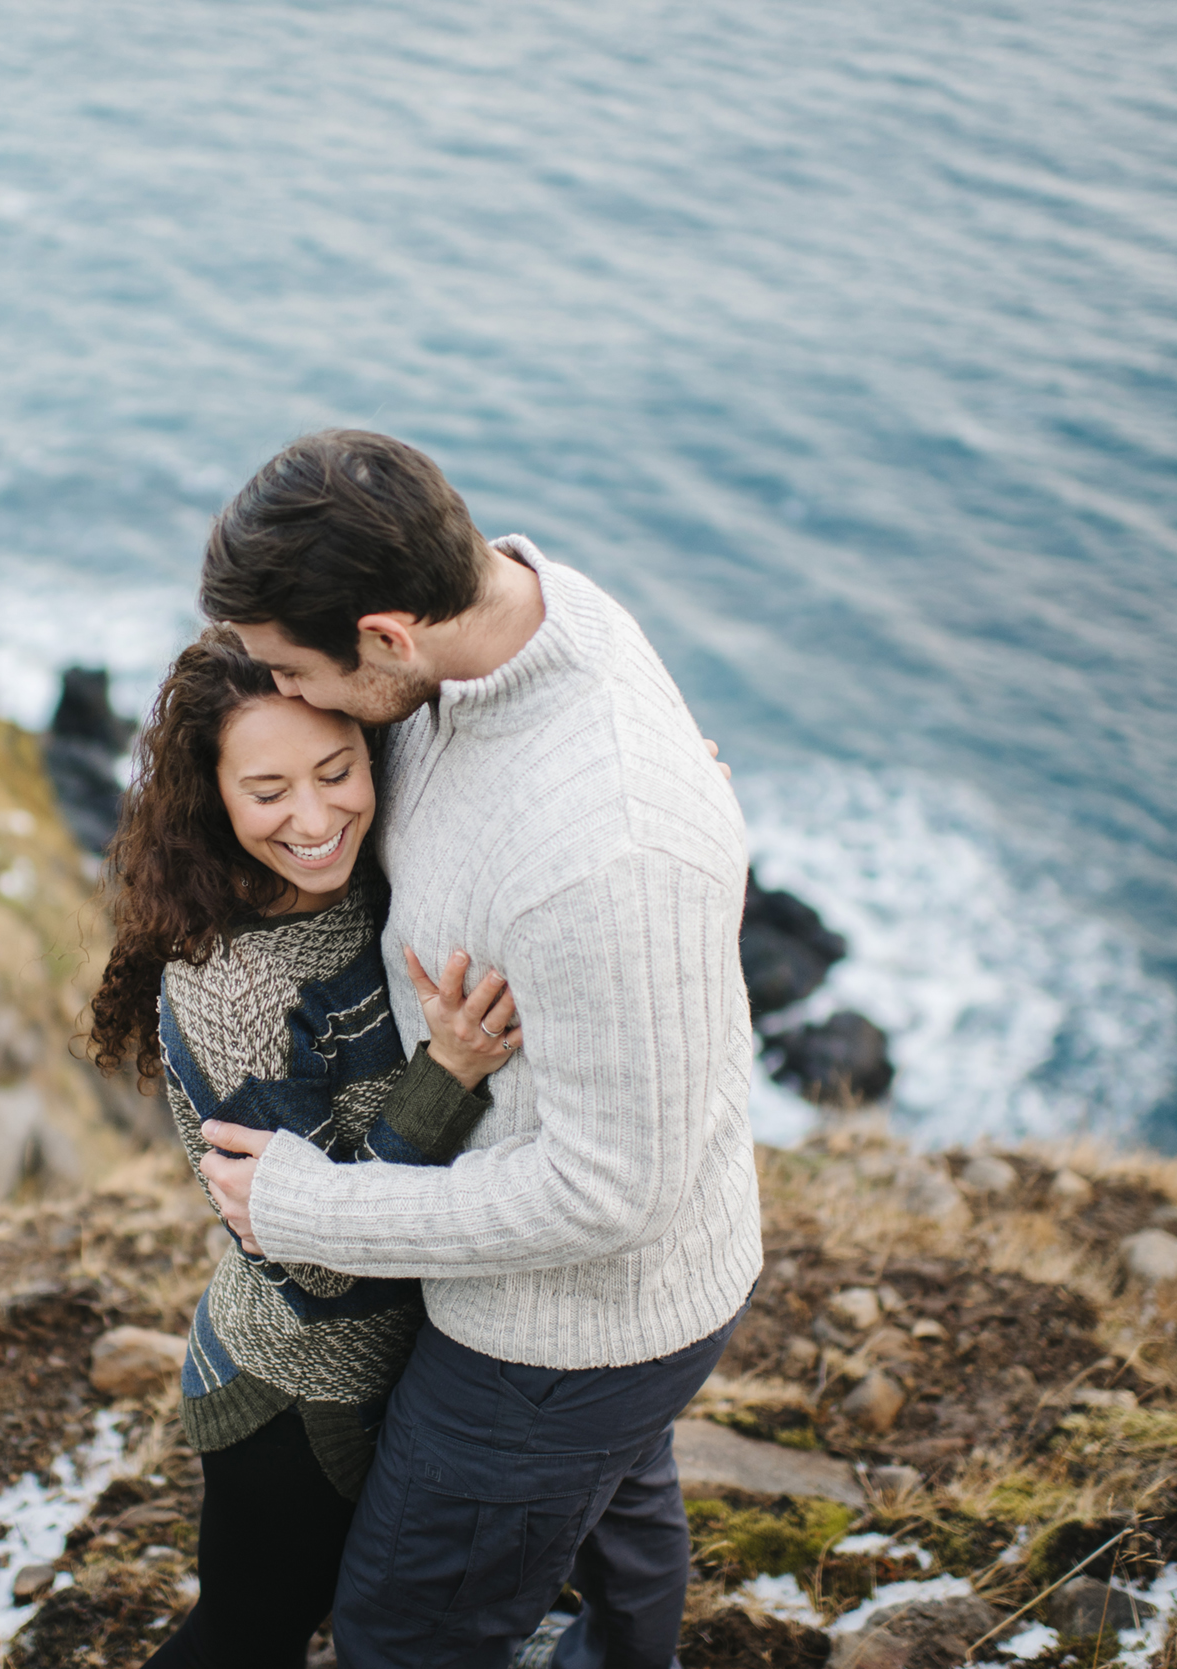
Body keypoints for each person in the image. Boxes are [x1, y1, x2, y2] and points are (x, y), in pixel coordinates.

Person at [192, 431, 765, 1669]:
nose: (288, 690)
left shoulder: (606, 849)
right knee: (619, 1528)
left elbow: (608, 1189)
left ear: (389, 638)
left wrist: (313, 1208)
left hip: (561, 1332)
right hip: (619, 1303)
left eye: (301, 670)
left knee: (407, 1632)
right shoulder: (520, 618)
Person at [86, 627, 528, 1669]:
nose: (317, 817)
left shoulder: (366, 872)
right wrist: (447, 1078)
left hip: (394, 1368)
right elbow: (317, 1247)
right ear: (214, 798)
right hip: (294, 1391)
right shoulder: (232, 987)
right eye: (269, 790)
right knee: (249, 1634)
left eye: (337, 771)